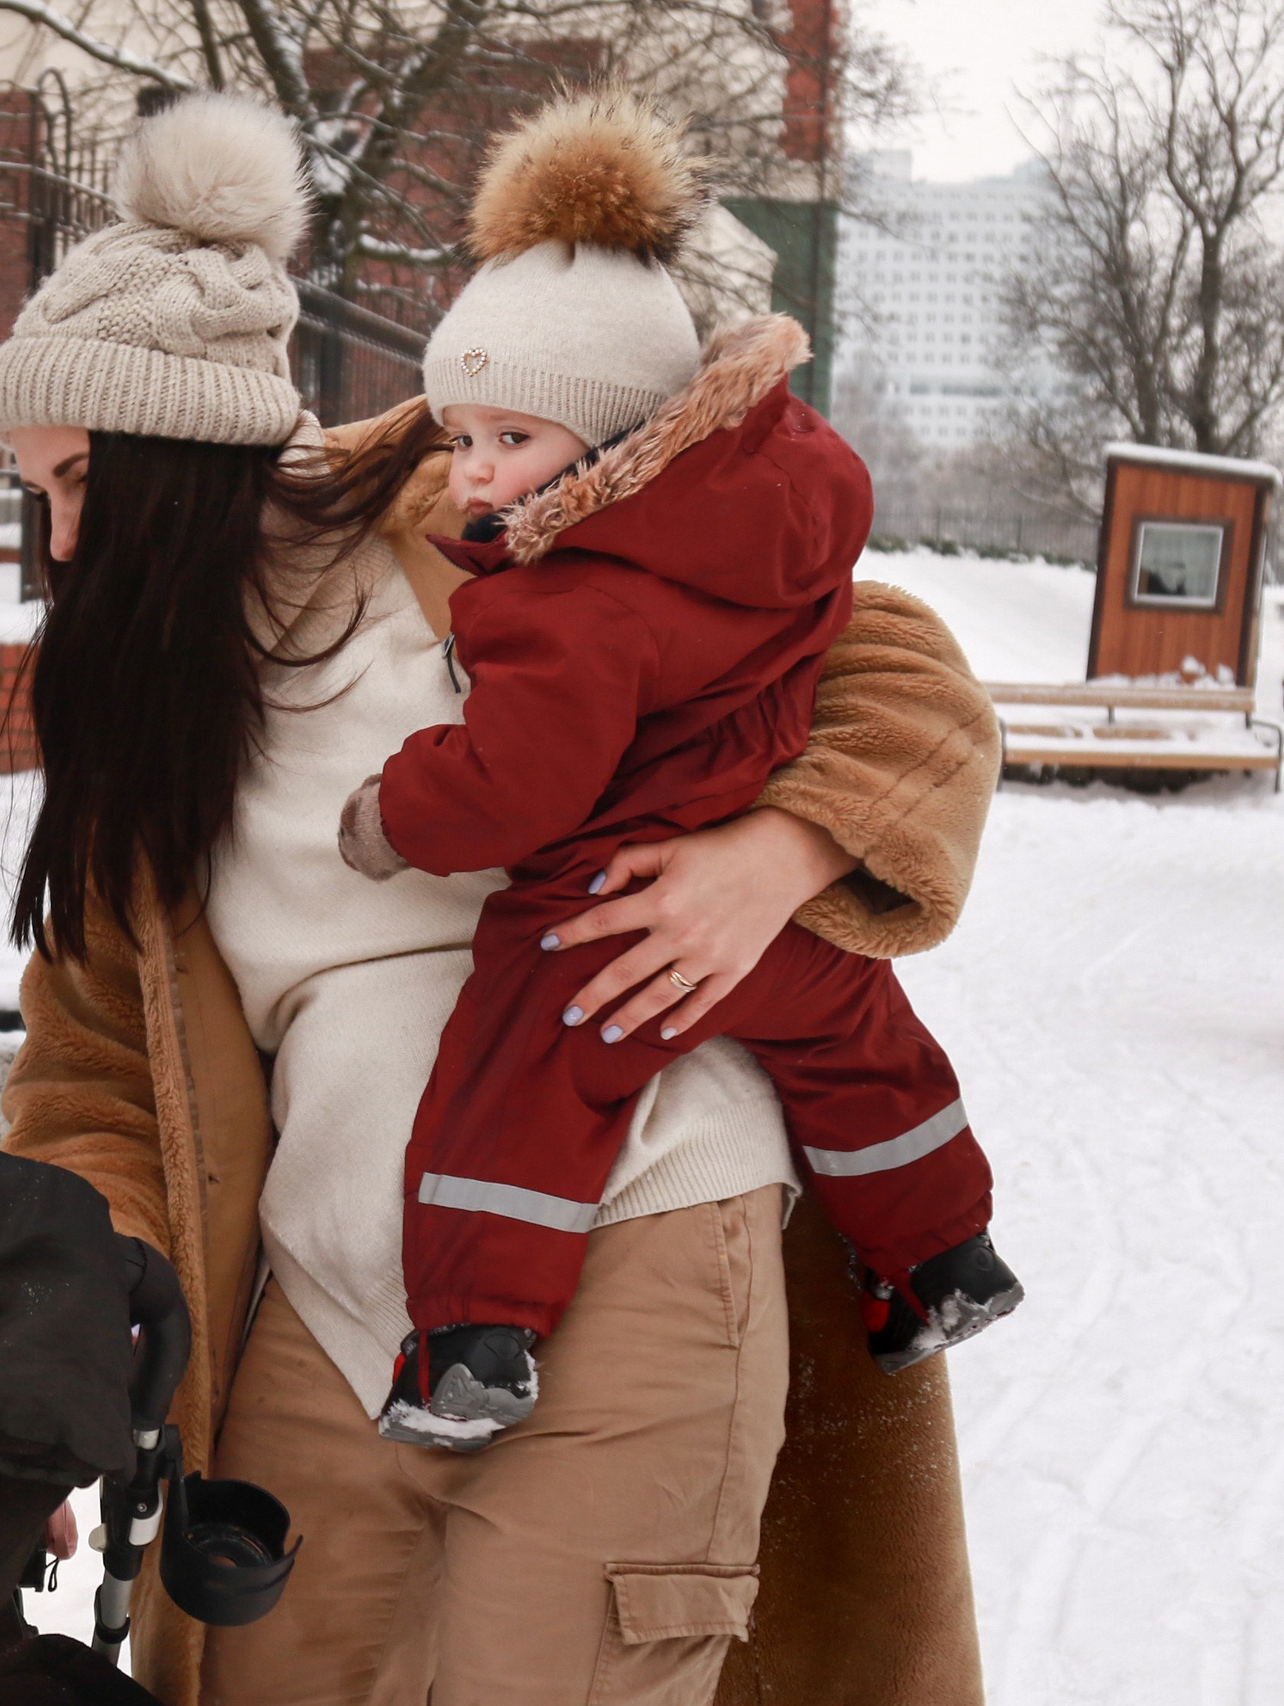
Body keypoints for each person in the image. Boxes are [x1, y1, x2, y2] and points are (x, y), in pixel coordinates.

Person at [0, 88, 998, 1706]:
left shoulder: (478, 506)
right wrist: (68, 1340)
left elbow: (899, 669)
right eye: (35, 495)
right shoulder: (143, 714)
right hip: (327, 1304)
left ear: (177, 447)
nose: (57, 544)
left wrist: (782, 853)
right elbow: (97, 1072)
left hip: (648, 1227)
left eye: (79, 480)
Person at [324, 91, 1020, 1456]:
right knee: (860, 1041)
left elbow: (517, 784)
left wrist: (395, 809)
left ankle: (475, 1336)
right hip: (774, 905)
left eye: (508, 442)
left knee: (516, 1074)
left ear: (612, 438)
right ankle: (944, 1254)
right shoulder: (764, 519)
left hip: (612, 897)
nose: (471, 475)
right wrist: (787, 854)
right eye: (458, 435)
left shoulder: (573, 594)